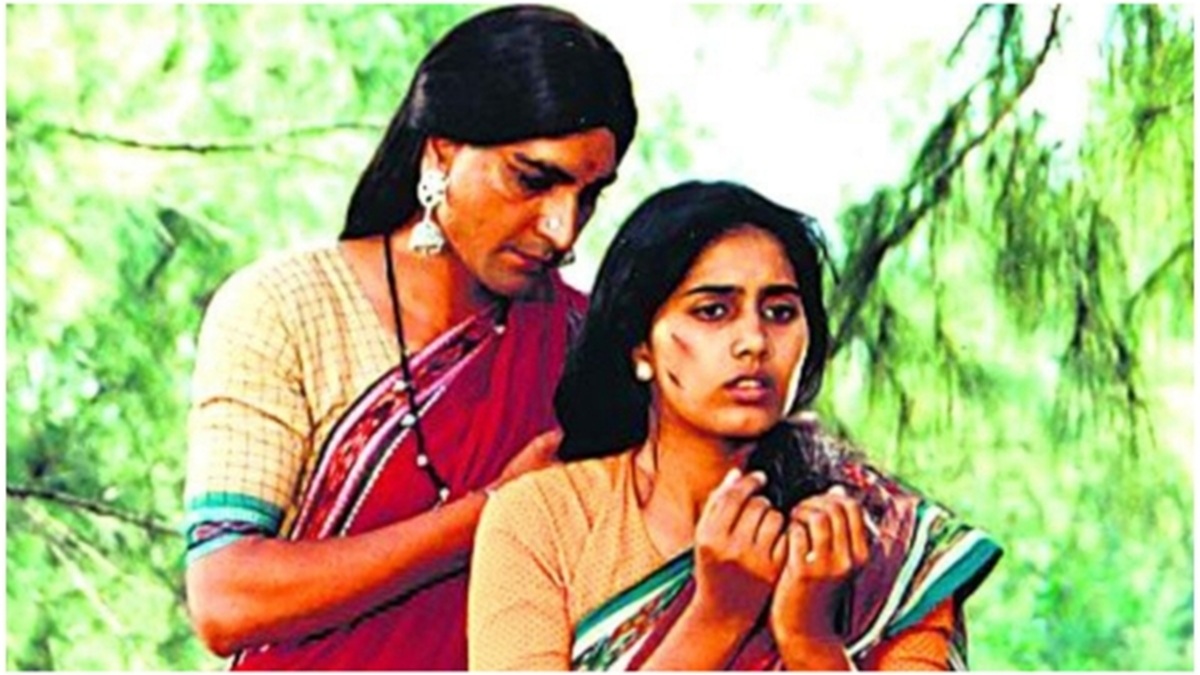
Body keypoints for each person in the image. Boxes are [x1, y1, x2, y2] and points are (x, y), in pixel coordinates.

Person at [182, 5, 637, 670]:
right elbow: (227, 596)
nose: (562, 229)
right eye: (533, 179)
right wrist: (488, 515)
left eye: (588, 195)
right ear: (441, 150)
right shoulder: (288, 308)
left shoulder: (585, 346)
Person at [468, 181, 1001, 671]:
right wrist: (718, 616)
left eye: (780, 312)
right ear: (640, 345)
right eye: (713, 311)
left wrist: (810, 636)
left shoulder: (880, 533)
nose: (754, 342)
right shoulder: (542, 519)